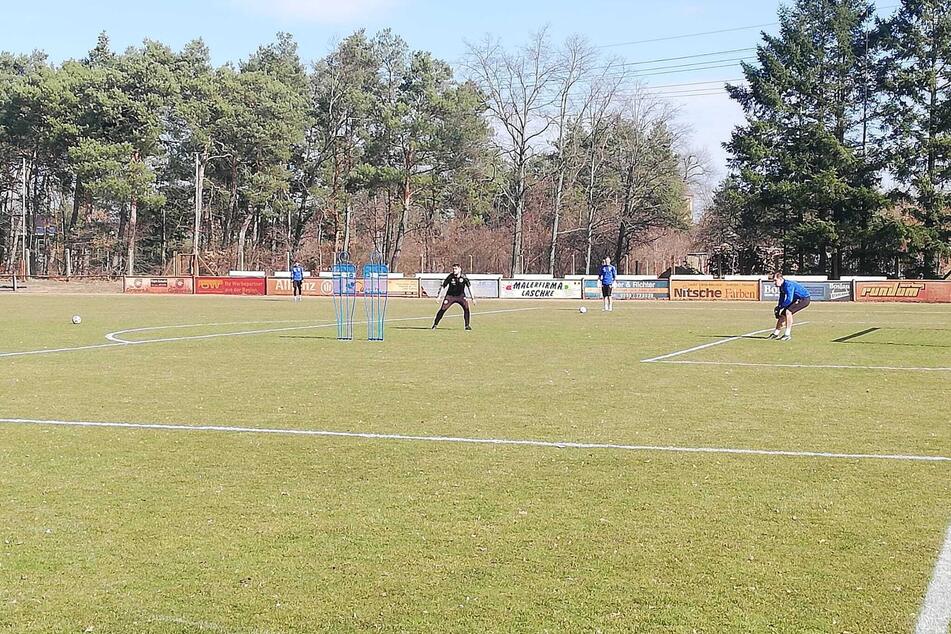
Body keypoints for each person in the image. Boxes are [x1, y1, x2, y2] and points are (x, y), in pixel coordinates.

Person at [769, 272, 810, 341]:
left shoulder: (788, 285)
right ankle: (776, 333)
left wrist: (780, 307)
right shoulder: (781, 287)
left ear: (780, 279)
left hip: (803, 299)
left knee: (788, 312)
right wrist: (778, 307)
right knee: (783, 314)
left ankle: (787, 334)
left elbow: (789, 299)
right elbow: (781, 298)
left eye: (775, 280)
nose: (774, 282)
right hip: (796, 299)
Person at [432, 264, 474, 330]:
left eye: (456, 269)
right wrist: (439, 297)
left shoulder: (464, 277)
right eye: (453, 269)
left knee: (466, 309)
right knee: (443, 309)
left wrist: (473, 298)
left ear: (460, 269)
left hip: (461, 296)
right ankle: (435, 324)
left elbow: (469, 287)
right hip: (450, 296)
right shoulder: (450, 277)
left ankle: (467, 326)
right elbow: (443, 286)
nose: (454, 270)